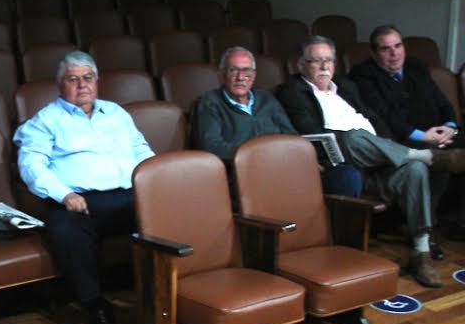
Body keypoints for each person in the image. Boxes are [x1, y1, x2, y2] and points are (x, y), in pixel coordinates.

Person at [276, 35, 465, 288]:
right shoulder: (292, 92)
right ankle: (430, 156)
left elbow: (375, 120)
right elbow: (311, 132)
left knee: (415, 169)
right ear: (301, 65)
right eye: (316, 61)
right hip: (344, 159)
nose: (324, 66)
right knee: (353, 137)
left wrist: (385, 148)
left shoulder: (346, 86)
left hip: (378, 159)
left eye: (328, 60)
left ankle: (421, 252)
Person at [13, 50, 153, 324]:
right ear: (60, 85)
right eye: (73, 79)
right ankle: (94, 305)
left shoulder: (116, 113)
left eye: (87, 78)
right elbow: (31, 165)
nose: (82, 85)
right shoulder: (45, 120)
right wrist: (64, 194)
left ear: (97, 81)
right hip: (82, 203)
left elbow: (141, 150)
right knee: (65, 229)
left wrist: (156, 180)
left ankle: (170, 291)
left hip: (132, 195)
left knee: (174, 211)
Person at [193, 47, 362, 195]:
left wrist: (306, 158)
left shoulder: (266, 99)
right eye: (233, 70)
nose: (241, 77)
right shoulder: (210, 103)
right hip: (246, 174)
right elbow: (211, 146)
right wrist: (260, 156)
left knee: (346, 176)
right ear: (222, 75)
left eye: (247, 71)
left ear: (254, 75)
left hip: (285, 166)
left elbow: (291, 135)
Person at [350, 24, 465, 240]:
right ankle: (425, 230)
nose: (394, 54)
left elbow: (443, 104)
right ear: (374, 53)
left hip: (439, 133)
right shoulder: (363, 75)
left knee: (455, 149)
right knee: (440, 162)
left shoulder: (416, 68)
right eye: (386, 49)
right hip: (402, 139)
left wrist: (449, 127)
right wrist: (424, 136)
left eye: (398, 46)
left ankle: (461, 223)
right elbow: (384, 117)